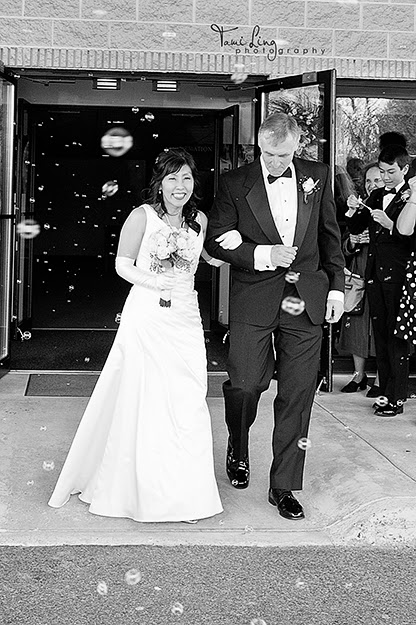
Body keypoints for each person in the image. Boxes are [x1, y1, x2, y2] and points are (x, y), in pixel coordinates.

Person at [48, 147, 237, 523]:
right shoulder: (142, 216)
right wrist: (156, 282)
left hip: (185, 316)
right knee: (145, 397)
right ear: (160, 183)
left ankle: (186, 494)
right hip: (147, 315)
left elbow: (208, 257)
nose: (180, 186)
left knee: (187, 398)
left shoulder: (199, 219)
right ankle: (140, 491)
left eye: (186, 178)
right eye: (172, 178)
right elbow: (122, 265)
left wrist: (237, 247)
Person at [205, 112, 345, 521]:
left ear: (296, 146)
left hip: (306, 300)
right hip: (254, 297)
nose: (275, 162)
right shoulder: (235, 182)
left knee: (298, 394)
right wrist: (264, 254)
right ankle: (238, 444)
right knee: (246, 384)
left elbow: (329, 237)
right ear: (260, 145)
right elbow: (217, 238)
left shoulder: (317, 176)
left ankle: (283, 485)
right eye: (268, 154)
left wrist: (336, 287)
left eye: (283, 155)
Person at [346, 144, 413, 416]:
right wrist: (352, 210)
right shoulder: (375, 195)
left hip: (400, 277)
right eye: (382, 171)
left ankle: (397, 397)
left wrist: (389, 225)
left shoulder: (411, 198)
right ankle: (386, 393)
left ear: (404, 169)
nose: (385, 177)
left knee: (397, 338)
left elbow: (411, 238)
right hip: (375, 275)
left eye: (390, 172)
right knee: (382, 336)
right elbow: (355, 227)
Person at [339, 162, 383, 396]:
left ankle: (382, 377)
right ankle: (359, 375)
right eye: (368, 181)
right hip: (359, 273)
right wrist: (353, 241)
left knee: (380, 327)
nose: (372, 185)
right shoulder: (359, 207)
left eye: (377, 180)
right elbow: (343, 244)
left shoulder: (394, 205)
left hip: (381, 274)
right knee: (356, 323)